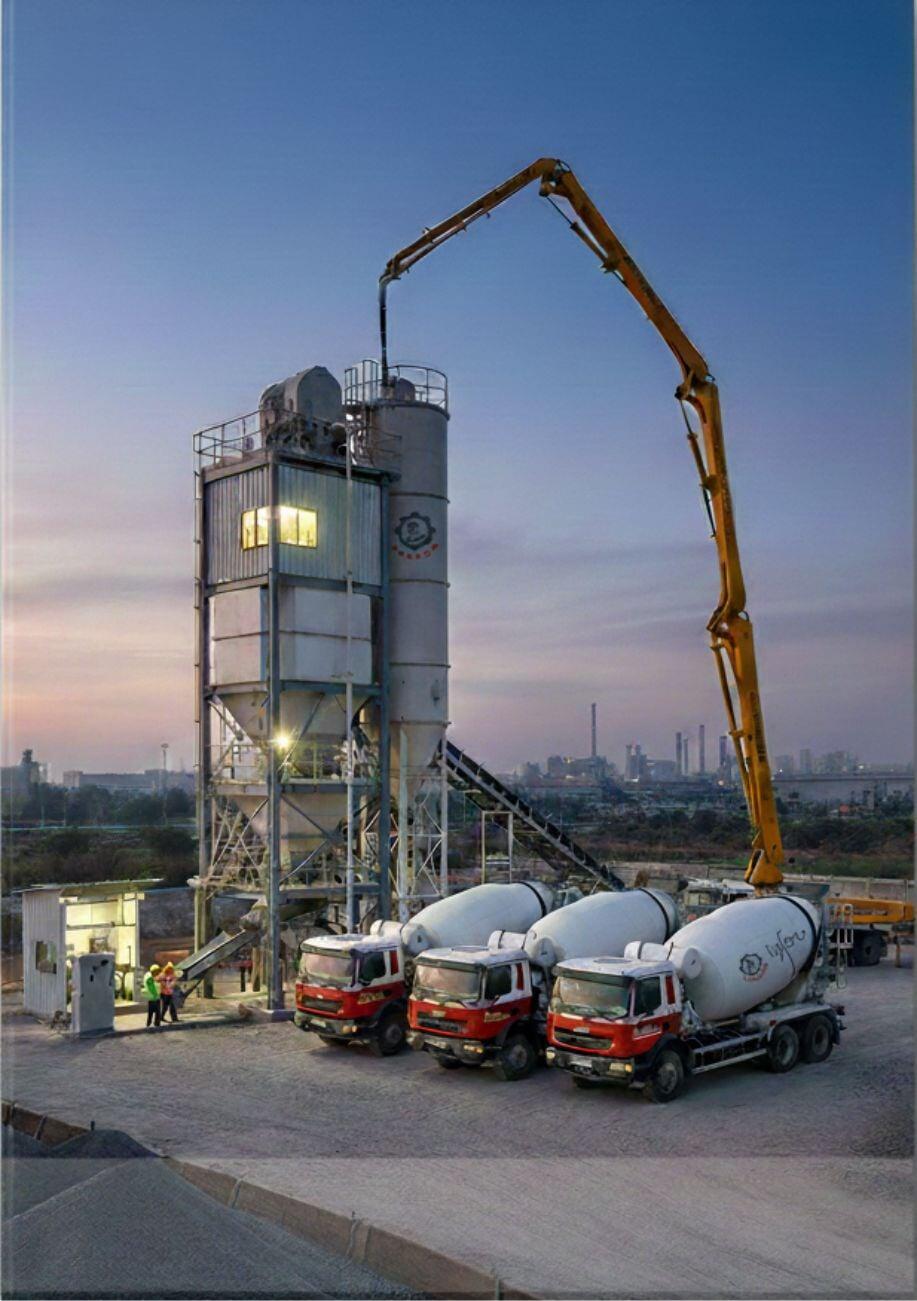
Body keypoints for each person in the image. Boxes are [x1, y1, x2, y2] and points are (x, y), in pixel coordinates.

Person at [143, 964, 162, 1029]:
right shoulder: (149, 978)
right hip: (154, 997)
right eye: (157, 972)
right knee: (156, 1011)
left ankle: (150, 1023)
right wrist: (157, 994)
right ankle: (154, 1023)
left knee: (152, 1011)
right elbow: (152, 989)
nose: (158, 973)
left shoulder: (149, 975)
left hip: (153, 997)